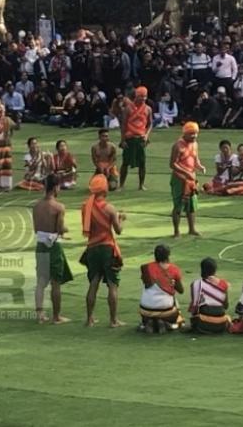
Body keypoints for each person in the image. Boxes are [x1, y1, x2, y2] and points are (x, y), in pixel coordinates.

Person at [81, 175, 125, 328]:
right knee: (112, 284)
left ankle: (89, 319)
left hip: (92, 248)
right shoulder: (109, 208)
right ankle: (113, 320)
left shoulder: (85, 207)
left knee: (93, 283)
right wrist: (121, 219)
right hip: (107, 247)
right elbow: (118, 231)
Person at [34, 175, 72, 325]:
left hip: (41, 244)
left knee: (41, 281)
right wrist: (66, 230)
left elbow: (36, 228)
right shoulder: (59, 207)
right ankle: (56, 316)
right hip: (54, 246)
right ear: (56, 187)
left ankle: (39, 314)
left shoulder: (36, 206)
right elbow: (59, 229)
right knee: (56, 282)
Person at [138, 244, 185, 333]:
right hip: (166, 310)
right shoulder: (174, 269)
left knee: (149, 298)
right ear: (168, 255)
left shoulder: (146, 267)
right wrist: (173, 284)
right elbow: (181, 290)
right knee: (175, 306)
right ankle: (165, 322)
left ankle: (149, 321)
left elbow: (146, 282)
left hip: (146, 309)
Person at [170, 122, 205, 238]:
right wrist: (186, 173)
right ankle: (176, 231)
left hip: (191, 179)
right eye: (191, 134)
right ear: (185, 134)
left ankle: (192, 229)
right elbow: (172, 164)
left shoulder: (195, 144)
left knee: (191, 205)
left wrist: (200, 167)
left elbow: (195, 159)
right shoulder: (178, 146)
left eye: (195, 134)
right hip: (179, 179)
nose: (194, 136)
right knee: (178, 205)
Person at [119, 87, 152, 191]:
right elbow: (123, 125)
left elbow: (150, 124)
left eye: (144, 97)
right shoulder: (128, 108)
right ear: (136, 96)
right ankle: (121, 185)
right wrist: (123, 140)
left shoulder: (148, 109)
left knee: (142, 162)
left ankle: (141, 185)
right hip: (129, 138)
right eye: (140, 96)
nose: (143, 99)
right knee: (125, 162)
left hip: (141, 138)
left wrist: (147, 135)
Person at [188, 257, 231, 333]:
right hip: (221, 323)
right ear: (215, 270)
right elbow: (226, 306)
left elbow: (194, 308)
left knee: (194, 318)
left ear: (202, 270)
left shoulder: (196, 284)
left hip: (203, 323)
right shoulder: (223, 284)